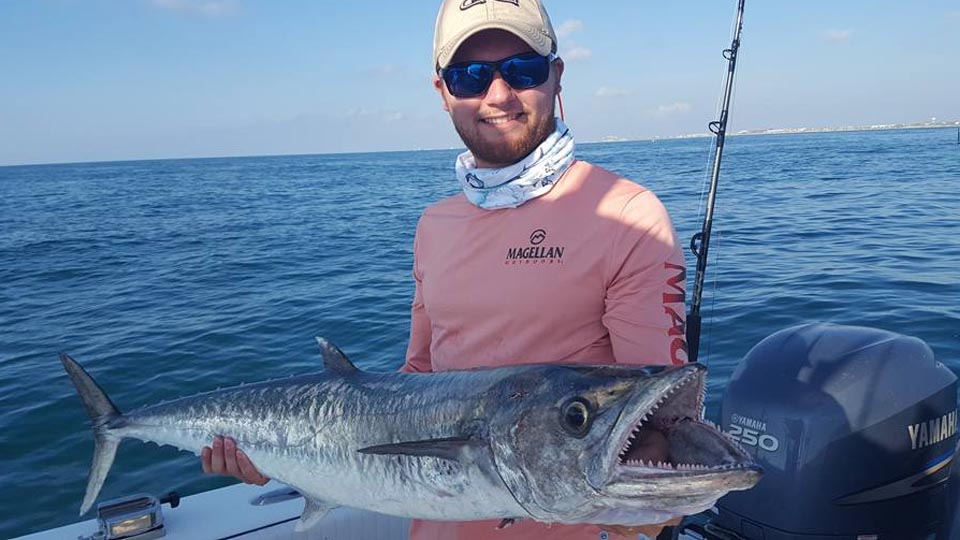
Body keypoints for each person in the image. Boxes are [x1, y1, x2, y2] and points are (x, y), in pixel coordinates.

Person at [203, 0, 689, 538]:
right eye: (470, 76)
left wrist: (652, 502)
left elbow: (659, 424)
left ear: (556, 76)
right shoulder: (436, 224)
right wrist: (285, 454)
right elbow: (416, 381)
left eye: (522, 69)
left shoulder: (627, 215)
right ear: (443, 93)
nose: (499, 94)